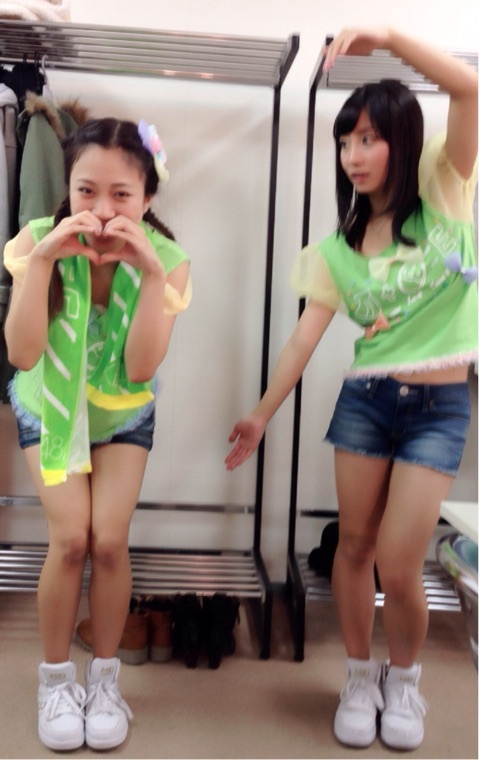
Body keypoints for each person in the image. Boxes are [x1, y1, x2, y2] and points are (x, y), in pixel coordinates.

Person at [225, 27, 477, 752]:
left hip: (439, 408)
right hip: (366, 402)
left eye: (367, 138)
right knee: (355, 545)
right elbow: (304, 338)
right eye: (344, 143)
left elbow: (469, 88)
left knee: (400, 562)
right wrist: (260, 414)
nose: (353, 156)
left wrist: (387, 37)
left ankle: (406, 681)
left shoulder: (446, 187)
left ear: (402, 138)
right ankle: (361, 677)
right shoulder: (338, 248)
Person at [3, 117, 191, 751]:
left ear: (147, 197)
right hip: (49, 406)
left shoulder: (169, 262)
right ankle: (56, 682)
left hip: (121, 414)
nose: (103, 210)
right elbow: (22, 354)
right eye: (86, 191)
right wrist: (43, 262)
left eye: (121, 194)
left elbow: (139, 369)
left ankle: (105, 681)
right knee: (70, 539)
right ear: (68, 188)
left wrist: (152, 277)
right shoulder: (37, 241)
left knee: (109, 541)